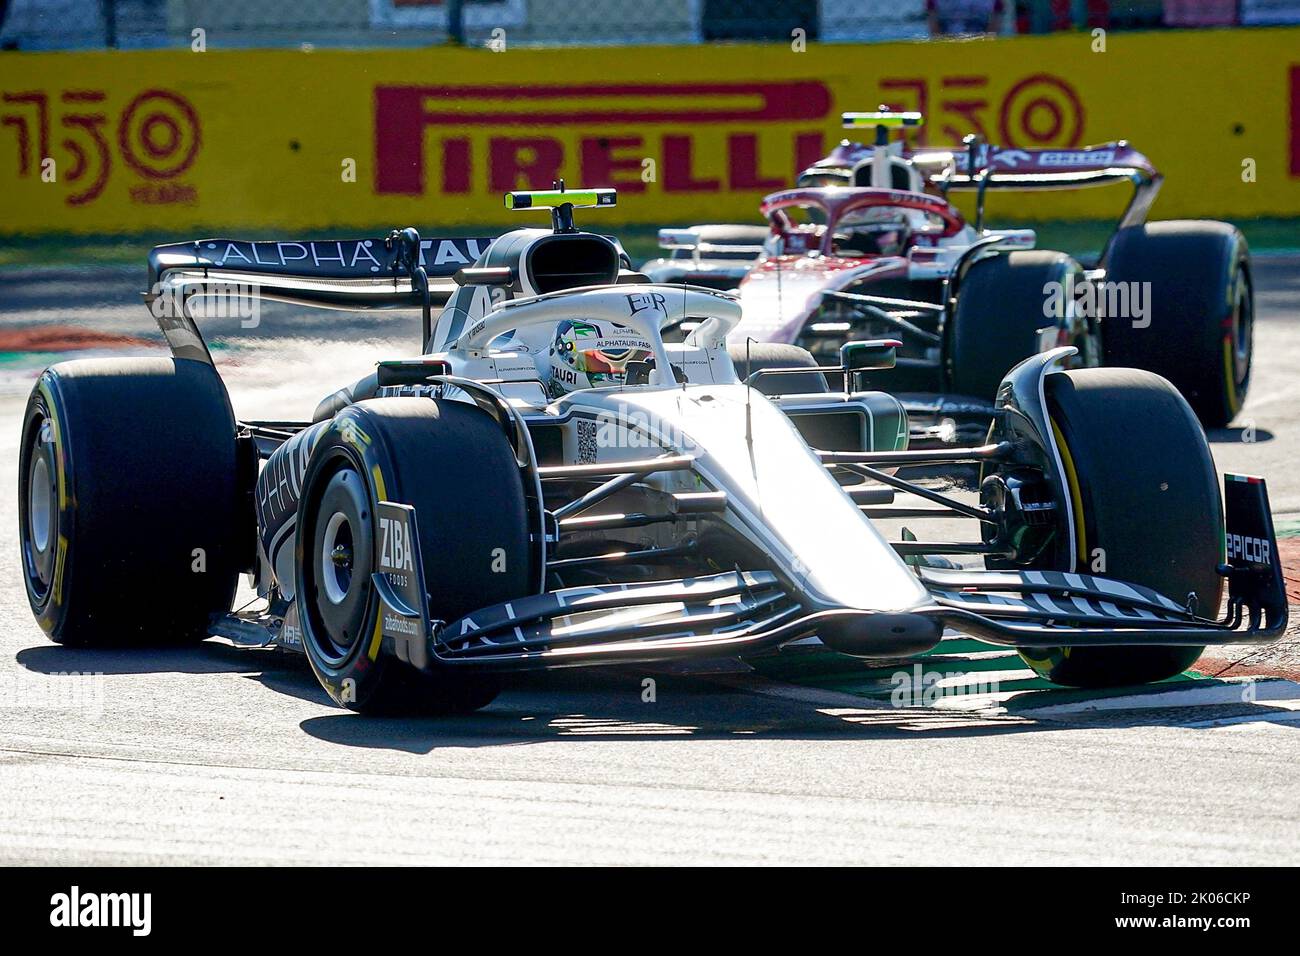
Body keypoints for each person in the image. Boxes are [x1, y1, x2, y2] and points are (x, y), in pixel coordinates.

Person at [927, 0, 1004, 35]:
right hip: (946, 47)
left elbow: (994, 28)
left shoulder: (994, 2)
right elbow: (934, 27)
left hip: (980, 47)